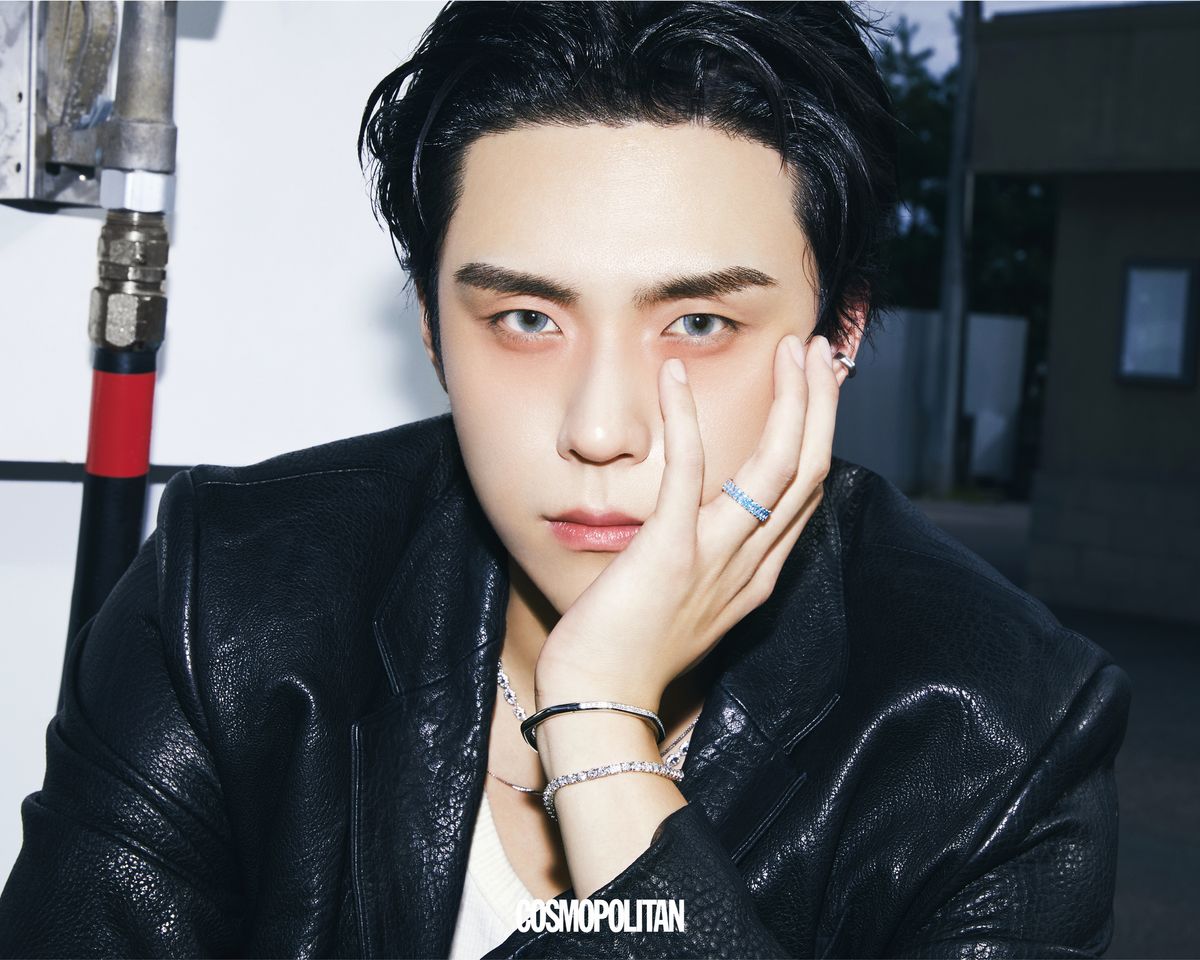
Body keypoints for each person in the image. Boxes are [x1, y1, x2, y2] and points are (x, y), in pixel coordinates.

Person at [0, 2, 1130, 958]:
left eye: (698, 322)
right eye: (527, 318)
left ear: (838, 338)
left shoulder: (996, 730)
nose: (600, 429)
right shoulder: (229, 604)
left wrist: (598, 732)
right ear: (432, 328)